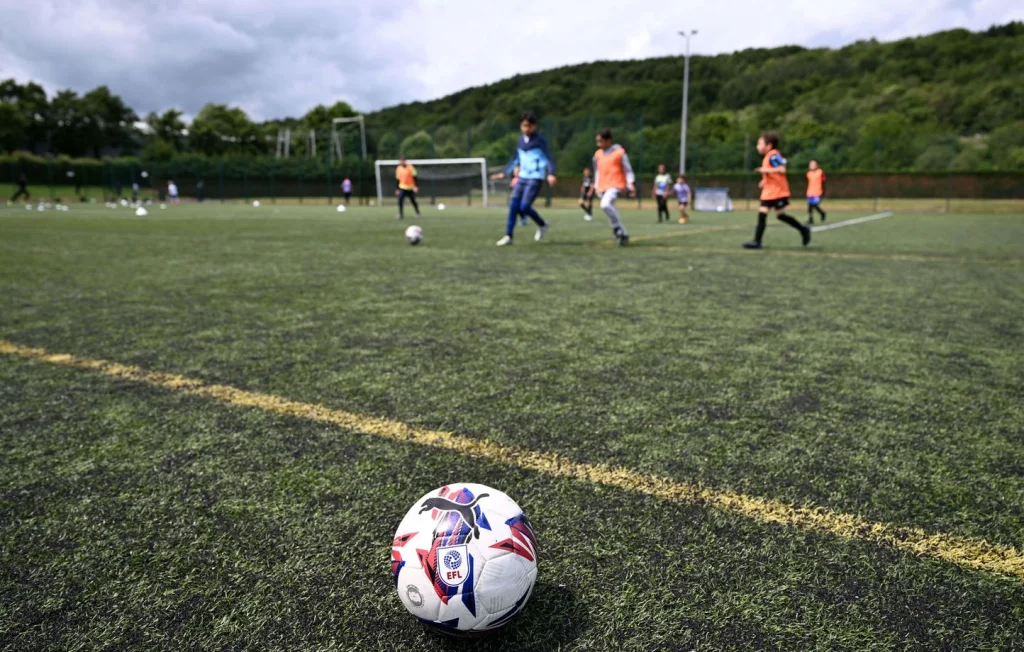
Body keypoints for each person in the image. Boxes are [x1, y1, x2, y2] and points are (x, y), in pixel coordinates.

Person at [489, 111, 556, 246]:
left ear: (534, 126)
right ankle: (509, 236)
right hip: (522, 177)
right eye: (523, 126)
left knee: (524, 207)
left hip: (535, 178)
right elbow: (515, 160)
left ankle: (542, 225)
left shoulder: (540, 141)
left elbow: (549, 157)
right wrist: (504, 173)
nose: (526, 129)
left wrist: (551, 173)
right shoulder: (520, 141)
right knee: (513, 205)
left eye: (529, 126)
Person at [743, 132, 810, 250]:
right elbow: (774, 173)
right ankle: (757, 242)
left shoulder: (773, 155)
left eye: (760, 143)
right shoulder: (768, 156)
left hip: (778, 192)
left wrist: (765, 170)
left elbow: (782, 169)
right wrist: (764, 181)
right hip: (769, 192)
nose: (757, 146)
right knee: (763, 213)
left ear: (768, 146)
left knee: (780, 216)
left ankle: (803, 229)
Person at [593, 128, 636, 246]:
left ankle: (616, 228)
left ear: (608, 141)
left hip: (616, 185)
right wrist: (596, 186)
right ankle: (623, 233)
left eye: (600, 141)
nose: (598, 144)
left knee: (605, 205)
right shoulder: (597, 154)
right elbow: (597, 171)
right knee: (610, 209)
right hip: (602, 186)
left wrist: (630, 184)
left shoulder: (619, 153)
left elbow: (628, 171)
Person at [806, 160, 827, 224]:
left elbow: (823, 182)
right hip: (810, 192)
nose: (811, 166)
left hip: (818, 192)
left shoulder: (820, 172)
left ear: (817, 165)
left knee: (814, 205)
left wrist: (823, 191)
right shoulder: (808, 173)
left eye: (813, 164)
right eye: (810, 164)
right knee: (810, 206)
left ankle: (822, 213)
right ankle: (810, 219)